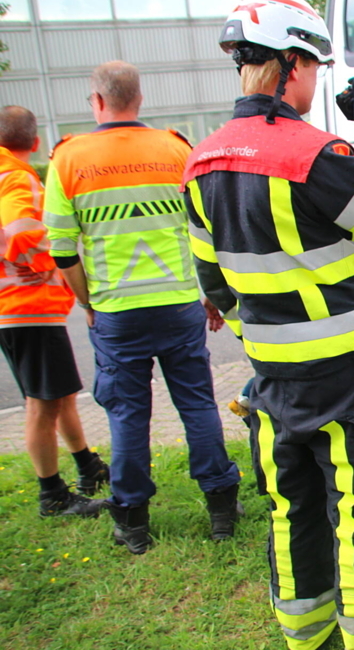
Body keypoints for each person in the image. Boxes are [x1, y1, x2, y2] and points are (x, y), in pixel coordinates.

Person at [181, 0, 354, 650]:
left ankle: (306, 635)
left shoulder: (200, 164)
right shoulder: (312, 155)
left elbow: (215, 283)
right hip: (347, 379)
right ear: (292, 63)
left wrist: (266, 340)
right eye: (315, 66)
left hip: (271, 380)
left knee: (292, 510)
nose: (317, 80)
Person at [43, 61, 242, 554]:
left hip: (116, 312)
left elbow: (63, 251)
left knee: (128, 415)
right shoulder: (176, 149)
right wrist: (209, 294)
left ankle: (132, 523)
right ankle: (221, 507)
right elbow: (205, 232)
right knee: (197, 404)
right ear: (139, 98)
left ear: (97, 101)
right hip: (178, 305)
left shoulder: (68, 159)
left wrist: (89, 305)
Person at [0, 105, 108, 517]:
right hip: (27, 307)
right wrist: (43, 262)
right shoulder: (15, 178)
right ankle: (53, 497)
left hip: (21, 310)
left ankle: (88, 466)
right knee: (42, 404)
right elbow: (21, 233)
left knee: (60, 395)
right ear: (35, 142)